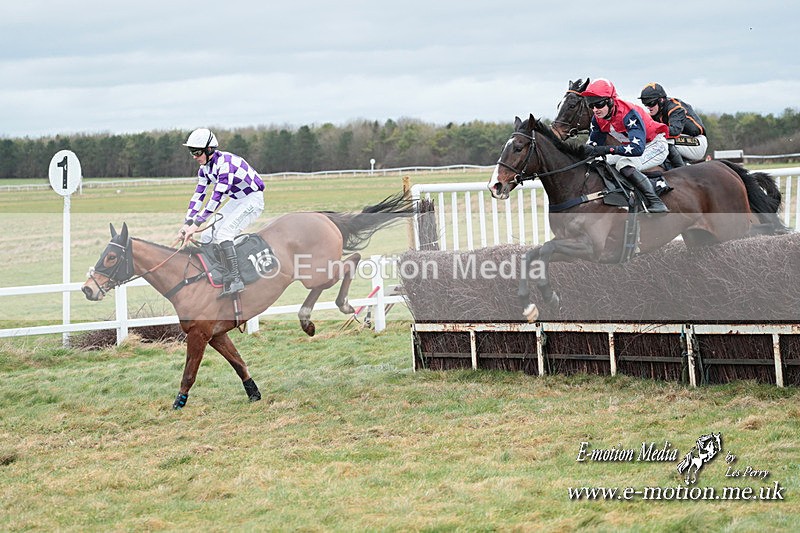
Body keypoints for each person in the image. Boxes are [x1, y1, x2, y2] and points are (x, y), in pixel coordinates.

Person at [178, 128, 265, 296]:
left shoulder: (225, 164)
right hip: (236, 199)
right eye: (191, 153)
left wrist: (197, 224)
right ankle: (217, 274)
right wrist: (187, 223)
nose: (194, 157)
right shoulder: (204, 169)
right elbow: (198, 195)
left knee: (224, 233)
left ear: (209, 149)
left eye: (196, 152)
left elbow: (216, 197)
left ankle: (236, 279)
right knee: (207, 235)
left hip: (252, 199)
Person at [580, 78, 670, 213]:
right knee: (599, 163)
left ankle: (656, 202)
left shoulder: (628, 113)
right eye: (590, 105)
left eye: (598, 104)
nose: (595, 109)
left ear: (610, 100)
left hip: (654, 145)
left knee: (624, 164)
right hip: (634, 147)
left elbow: (637, 149)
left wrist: (607, 149)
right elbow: (593, 147)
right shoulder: (597, 119)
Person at [639, 82, 707, 168]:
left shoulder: (675, 108)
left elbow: (674, 131)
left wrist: (653, 130)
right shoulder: (656, 111)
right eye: (645, 104)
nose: (648, 107)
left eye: (650, 103)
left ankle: (681, 171)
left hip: (697, 142)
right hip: (683, 142)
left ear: (661, 100)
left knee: (662, 140)